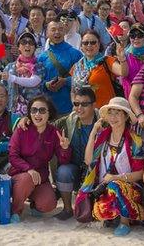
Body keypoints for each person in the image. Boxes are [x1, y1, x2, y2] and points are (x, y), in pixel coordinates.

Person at [74, 96, 144, 236]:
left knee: (116, 185)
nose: (113, 117)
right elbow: (88, 160)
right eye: (111, 112)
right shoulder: (103, 136)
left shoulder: (135, 141)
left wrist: (116, 177)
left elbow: (140, 174)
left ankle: (124, 222)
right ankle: (113, 216)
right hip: (103, 186)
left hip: (129, 187)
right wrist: (93, 132)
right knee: (98, 201)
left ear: (126, 116)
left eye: (118, 113)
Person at [8, 95, 70, 223]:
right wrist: (28, 169)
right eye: (34, 110)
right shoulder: (22, 129)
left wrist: (64, 148)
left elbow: (63, 161)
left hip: (41, 178)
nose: (37, 114)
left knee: (48, 204)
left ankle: (34, 204)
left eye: (42, 110)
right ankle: (16, 210)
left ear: (49, 113)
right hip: (20, 175)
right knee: (27, 178)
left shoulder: (54, 133)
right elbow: (13, 156)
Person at [54, 86, 99, 220]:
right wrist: (25, 120)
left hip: (97, 170)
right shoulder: (67, 121)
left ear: (94, 105)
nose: (79, 108)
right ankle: (67, 209)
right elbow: (45, 126)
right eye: (76, 104)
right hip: (74, 167)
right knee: (63, 171)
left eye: (84, 104)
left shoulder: (104, 121)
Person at [69, 29, 124, 109]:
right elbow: (73, 91)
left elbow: (123, 72)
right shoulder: (77, 67)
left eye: (93, 42)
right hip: (85, 114)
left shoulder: (107, 61)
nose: (89, 45)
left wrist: (122, 59)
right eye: (85, 43)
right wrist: (76, 106)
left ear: (98, 44)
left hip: (106, 112)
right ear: (81, 46)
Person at [37, 20, 82, 116]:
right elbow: (37, 82)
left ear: (64, 31)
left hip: (71, 108)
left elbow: (83, 79)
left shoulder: (75, 54)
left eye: (60, 29)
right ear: (47, 33)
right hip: (48, 109)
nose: (57, 32)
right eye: (53, 30)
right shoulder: (41, 57)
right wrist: (46, 85)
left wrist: (66, 81)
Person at [2, 30, 45, 115]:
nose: (27, 45)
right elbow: (3, 88)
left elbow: (33, 82)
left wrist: (12, 78)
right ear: (19, 47)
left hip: (34, 112)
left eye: (31, 43)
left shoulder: (39, 66)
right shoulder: (10, 67)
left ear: (35, 48)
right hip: (13, 111)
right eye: (23, 42)